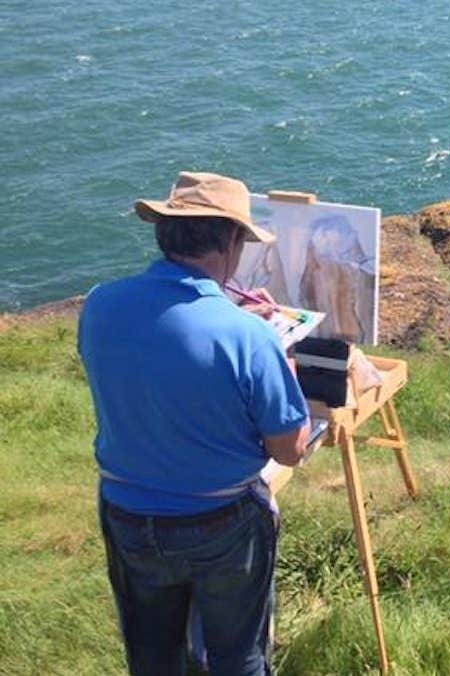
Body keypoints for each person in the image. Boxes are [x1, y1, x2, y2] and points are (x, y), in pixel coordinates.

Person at [78, 171, 311, 676]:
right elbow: (289, 448)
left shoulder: (99, 305)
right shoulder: (249, 337)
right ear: (230, 241)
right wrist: (283, 356)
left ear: (166, 232)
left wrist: (225, 316)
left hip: (126, 508)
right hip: (223, 519)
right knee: (237, 658)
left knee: (152, 657)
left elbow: (163, 359)